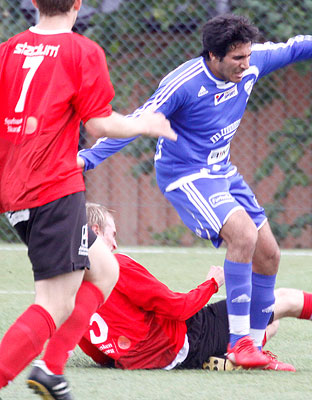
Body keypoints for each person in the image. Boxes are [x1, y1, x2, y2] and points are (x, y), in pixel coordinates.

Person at [78, 14, 312, 369]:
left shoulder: (252, 61)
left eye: (247, 57)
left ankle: (255, 346)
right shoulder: (183, 83)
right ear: (212, 56)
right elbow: (137, 122)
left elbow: (293, 48)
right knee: (242, 234)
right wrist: (88, 159)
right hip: (185, 175)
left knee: (269, 254)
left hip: (221, 171)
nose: (246, 65)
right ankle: (239, 343)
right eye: (237, 59)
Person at [0, 1, 177, 399]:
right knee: (54, 304)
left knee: (105, 269)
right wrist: (144, 123)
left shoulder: (8, 50)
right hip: (52, 191)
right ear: (78, 3)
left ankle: (50, 369)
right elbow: (99, 124)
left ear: (33, 2)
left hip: (17, 189)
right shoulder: (82, 51)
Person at [76, 203, 312, 372]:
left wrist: (124, 359)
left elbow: (91, 349)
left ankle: (224, 357)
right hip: (184, 339)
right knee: (284, 300)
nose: (115, 243)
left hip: (156, 356)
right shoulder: (116, 266)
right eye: (112, 234)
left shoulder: (68, 278)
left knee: (269, 324)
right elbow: (177, 308)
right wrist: (212, 282)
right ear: (95, 230)